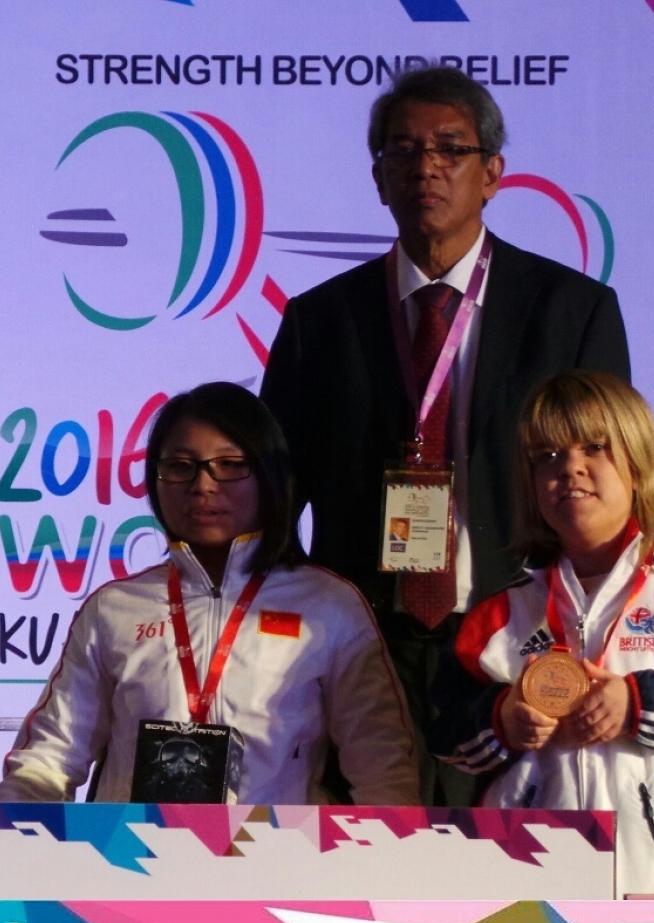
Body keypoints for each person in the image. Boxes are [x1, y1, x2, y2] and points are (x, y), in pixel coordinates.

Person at [260, 65, 630, 805]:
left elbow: (611, 481)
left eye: (450, 149)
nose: (425, 166)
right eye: (403, 150)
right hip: (361, 637)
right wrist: (301, 621)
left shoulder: (572, 309)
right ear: (378, 177)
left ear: (492, 173)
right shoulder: (319, 321)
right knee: (361, 869)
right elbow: (273, 495)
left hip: (516, 631)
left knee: (502, 877)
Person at [0, 382, 418, 805]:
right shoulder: (114, 608)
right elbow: (50, 756)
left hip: (279, 861)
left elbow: (383, 770)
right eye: (180, 466)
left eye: (230, 464)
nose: (202, 485)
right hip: (129, 859)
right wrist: (7, 838)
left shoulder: (329, 605)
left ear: (270, 474)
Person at [428, 371, 654, 895]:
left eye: (595, 448)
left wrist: (637, 704)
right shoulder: (499, 617)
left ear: (637, 466)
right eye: (547, 456)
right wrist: (503, 721)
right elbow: (444, 731)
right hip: (529, 896)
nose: (571, 468)